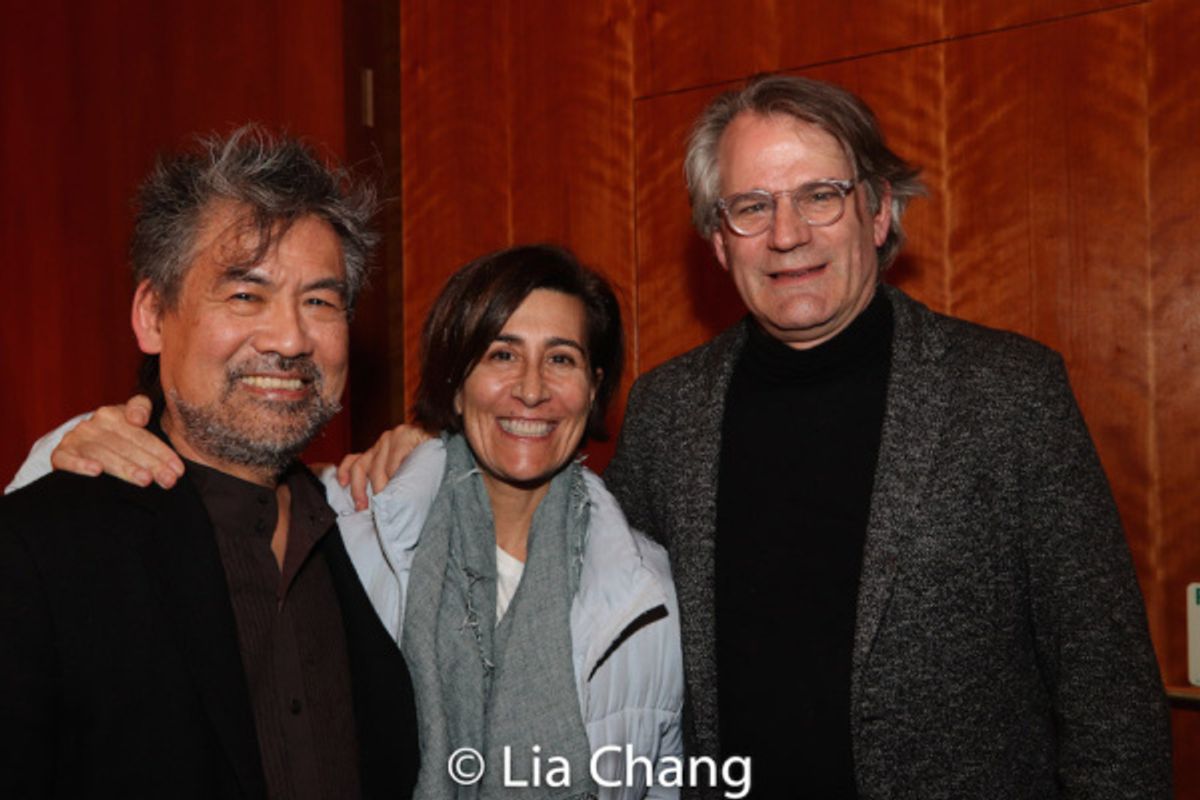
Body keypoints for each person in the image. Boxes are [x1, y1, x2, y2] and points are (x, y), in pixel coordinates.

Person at [600, 74, 1172, 797]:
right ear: (719, 240)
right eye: (752, 206)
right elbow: (592, 606)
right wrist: (439, 460)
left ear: (877, 211)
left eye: (820, 195)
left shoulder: (1009, 393)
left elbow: (1108, 687)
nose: (786, 234)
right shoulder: (666, 410)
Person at [14, 245, 685, 800]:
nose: (532, 389)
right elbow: (193, 485)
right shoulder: (357, 522)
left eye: (561, 358)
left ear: (595, 388)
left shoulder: (647, 587)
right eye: (501, 355)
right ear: (455, 382)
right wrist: (81, 437)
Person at [0, 126, 418, 798]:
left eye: (319, 300)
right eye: (245, 295)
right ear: (152, 315)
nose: (289, 339)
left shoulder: (379, 538)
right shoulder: (36, 553)